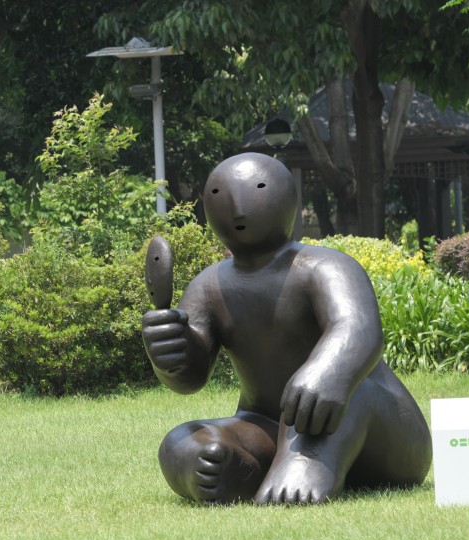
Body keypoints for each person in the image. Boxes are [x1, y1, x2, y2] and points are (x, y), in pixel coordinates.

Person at [141, 152, 432, 505]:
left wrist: (325, 372)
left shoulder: (323, 266)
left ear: (286, 197)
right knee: (182, 440)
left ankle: (304, 465)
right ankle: (227, 470)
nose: (237, 206)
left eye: (258, 187)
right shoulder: (209, 285)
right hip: (268, 423)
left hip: (377, 429)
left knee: (342, 390)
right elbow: (191, 377)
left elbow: (358, 328)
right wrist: (172, 351)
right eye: (219, 195)